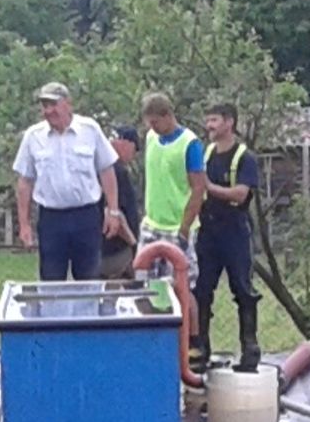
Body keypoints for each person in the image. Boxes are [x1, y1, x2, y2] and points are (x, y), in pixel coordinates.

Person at [10, 82, 122, 285]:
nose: (48, 111)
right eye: (45, 106)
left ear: (68, 104)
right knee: (51, 281)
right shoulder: (33, 136)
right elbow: (25, 181)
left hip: (86, 217)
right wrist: (24, 224)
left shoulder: (90, 129)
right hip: (51, 219)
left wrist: (113, 210)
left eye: (53, 105)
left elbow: (106, 170)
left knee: (89, 280)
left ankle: (88, 307)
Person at [191, 103, 265, 373]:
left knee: (243, 289)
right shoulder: (205, 153)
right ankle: (201, 350)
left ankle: (250, 349)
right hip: (207, 231)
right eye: (207, 120)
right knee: (200, 290)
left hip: (235, 230)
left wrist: (208, 187)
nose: (209, 126)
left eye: (214, 120)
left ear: (229, 122)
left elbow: (240, 194)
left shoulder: (245, 157)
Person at [130, 91, 203, 264]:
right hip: (152, 223)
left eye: (155, 122)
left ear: (168, 116)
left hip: (177, 226)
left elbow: (198, 188)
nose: (152, 127)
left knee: (179, 276)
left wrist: (185, 227)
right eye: (149, 123)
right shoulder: (151, 137)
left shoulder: (190, 144)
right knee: (144, 274)